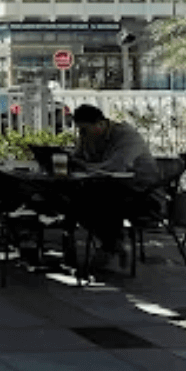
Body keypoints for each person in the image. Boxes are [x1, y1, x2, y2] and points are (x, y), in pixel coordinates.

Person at [63, 104, 159, 272]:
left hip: (142, 193)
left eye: (84, 130)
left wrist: (85, 167)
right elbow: (79, 158)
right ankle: (112, 244)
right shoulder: (88, 138)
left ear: (100, 124)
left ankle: (110, 245)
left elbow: (116, 167)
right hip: (109, 188)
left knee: (99, 199)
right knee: (74, 199)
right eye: (79, 131)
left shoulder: (126, 136)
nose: (81, 135)